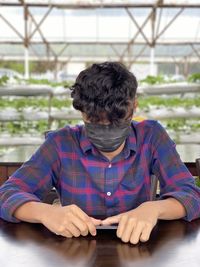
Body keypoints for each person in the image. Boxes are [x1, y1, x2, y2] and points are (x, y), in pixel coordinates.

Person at [0, 62, 200, 245]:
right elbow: (7, 193)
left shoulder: (152, 136)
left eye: (117, 121)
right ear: (82, 112)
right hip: (75, 251)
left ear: (134, 106)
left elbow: (191, 195)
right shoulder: (61, 144)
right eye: (95, 121)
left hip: (138, 248)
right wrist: (45, 212)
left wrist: (154, 209)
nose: (106, 129)